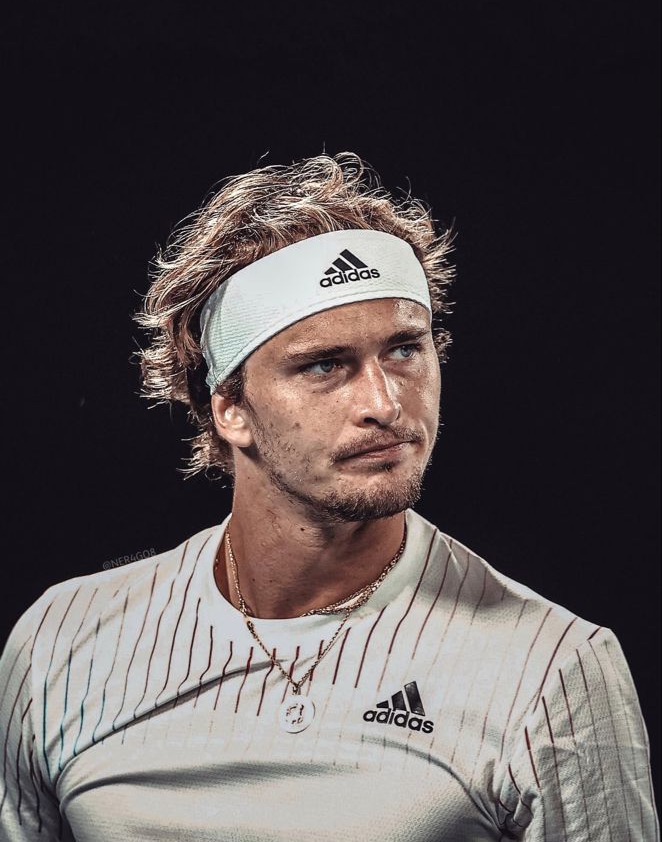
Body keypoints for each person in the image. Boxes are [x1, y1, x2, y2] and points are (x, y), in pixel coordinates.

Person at [0, 152, 658, 841]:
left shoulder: (554, 670)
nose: (384, 402)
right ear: (231, 409)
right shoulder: (60, 646)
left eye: (405, 349)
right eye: (324, 365)